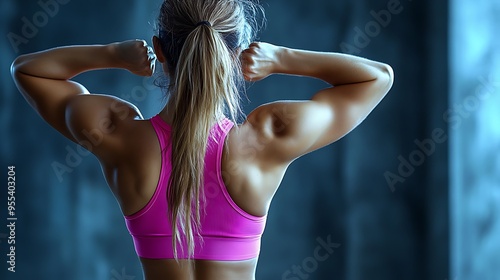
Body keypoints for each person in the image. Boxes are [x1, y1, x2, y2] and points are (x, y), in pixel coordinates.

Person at [10, 0, 393, 279]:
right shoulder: (268, 137)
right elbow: (377, 78)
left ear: (160, 51)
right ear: (236, 52)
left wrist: (113, 54)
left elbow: (29, 72)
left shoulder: (118, 135)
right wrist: (283, 58)